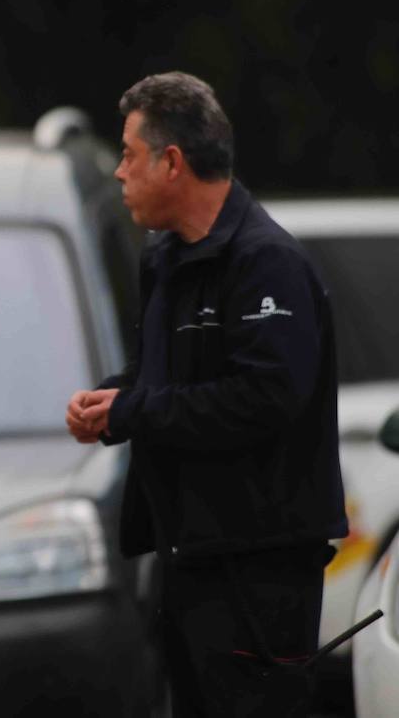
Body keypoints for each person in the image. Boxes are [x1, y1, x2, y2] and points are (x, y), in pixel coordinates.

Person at [66, 71, 347, 716]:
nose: (118, 173)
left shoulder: (265, 261)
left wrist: (135, 408)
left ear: (171, 162)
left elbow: (267, 397)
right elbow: (159, 380)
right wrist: (109, 402)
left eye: (129, 155)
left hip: (259, 571)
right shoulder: (164, 257)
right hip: (187, 561)